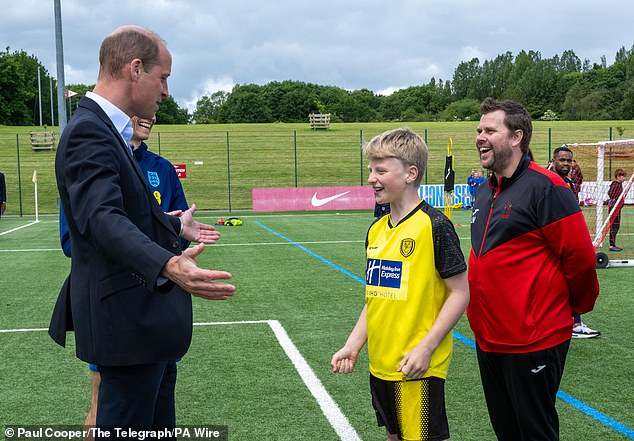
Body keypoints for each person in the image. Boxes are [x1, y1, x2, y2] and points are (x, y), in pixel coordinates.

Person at [49, 25, 236, 436]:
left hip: (143, 328)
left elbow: (123, 212)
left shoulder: (109, 131)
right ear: (135, 69)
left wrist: (171, 225)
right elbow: (100, 219)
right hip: (126, 328)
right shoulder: (88, 131)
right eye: (163, 77)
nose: (166, 92)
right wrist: (169, 263)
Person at [468, 98, 599, 441]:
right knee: (507, 432)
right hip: (489, 340)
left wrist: (567, 311)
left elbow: (581, 260)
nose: (480, 136)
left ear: (516, 137)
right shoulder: (484, 190)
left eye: (489, 130)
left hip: (533, 341)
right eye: (479, 130)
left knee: (535, 434)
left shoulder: (548, 187)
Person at [331, 128, 469, 441]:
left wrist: (426, 347)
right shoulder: (377, 230)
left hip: (417, 366)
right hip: (380, 364)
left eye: (381, 170)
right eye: (370, 170)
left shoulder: (435, 226)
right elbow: (377, 297)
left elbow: (460, 293)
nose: (371, 178)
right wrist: (354, 345)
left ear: (411, 173)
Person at [58, 114, 192, 438]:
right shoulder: (96, 153)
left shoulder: (162, 168)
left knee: (160, 418)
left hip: (159, 313)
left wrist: (172, 228)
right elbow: (73, 239)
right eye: (158, 80)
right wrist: (149, 240)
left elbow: (180, 234)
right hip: (118, 315)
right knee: (109, 416)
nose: (152, 114)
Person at [550, 147, 600, 339]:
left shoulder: (568, 182)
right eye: (562, 160)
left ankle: (573, 322)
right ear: (553, 160)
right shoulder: (548, 181)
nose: (565, 164)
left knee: (571, 279)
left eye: (569, 161)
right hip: (557, 240)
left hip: (568, 238)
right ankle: (574, 324)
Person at [607, 168, 627, 252]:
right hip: (614, 209)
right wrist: (614, 200)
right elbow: (610, 193)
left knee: (616, 226)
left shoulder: (618, 185)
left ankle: (613, 244)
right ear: (618, 176)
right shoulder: (615, 185)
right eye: (623, 176)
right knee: (614, 226)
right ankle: (612, 245)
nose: (624, 178)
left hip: (617, 208)